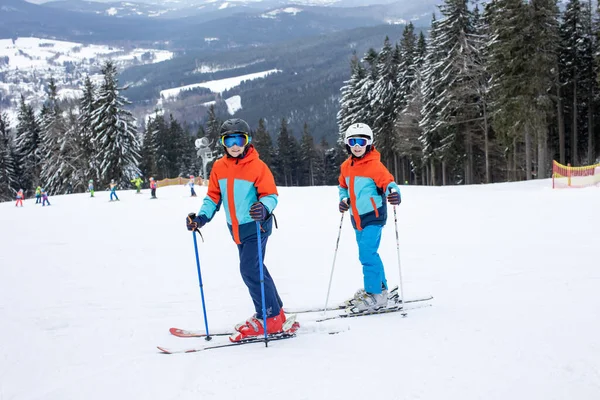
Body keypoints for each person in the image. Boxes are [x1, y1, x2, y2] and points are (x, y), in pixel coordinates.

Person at [186, 118, 292, 342]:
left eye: (239, 139)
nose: (235, 145)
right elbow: (214, 197)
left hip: (257, 226)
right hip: (236, 229)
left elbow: (270, 195)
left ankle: (269, 317)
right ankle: (276, 311)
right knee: (256, 268)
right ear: (223, 143)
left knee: (250, 270)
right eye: (229, 140)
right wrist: (202, 217)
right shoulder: (219, 167)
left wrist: (263, 208)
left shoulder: (257, 167)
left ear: (248, 141)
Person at [338, 123, 401, 313]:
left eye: (361, 142)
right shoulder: (346, 167)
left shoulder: (375, 165)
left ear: (369, 143)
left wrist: (394, 193)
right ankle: (381, 289)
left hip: (374, 216)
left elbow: (389, 183)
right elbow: (342, 187)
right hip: (356, 218)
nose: (357, 146)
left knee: (366, 254)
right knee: (370, 254)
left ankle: (375, 294)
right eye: (353, 141)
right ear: (348, 144)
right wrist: (343, 199)